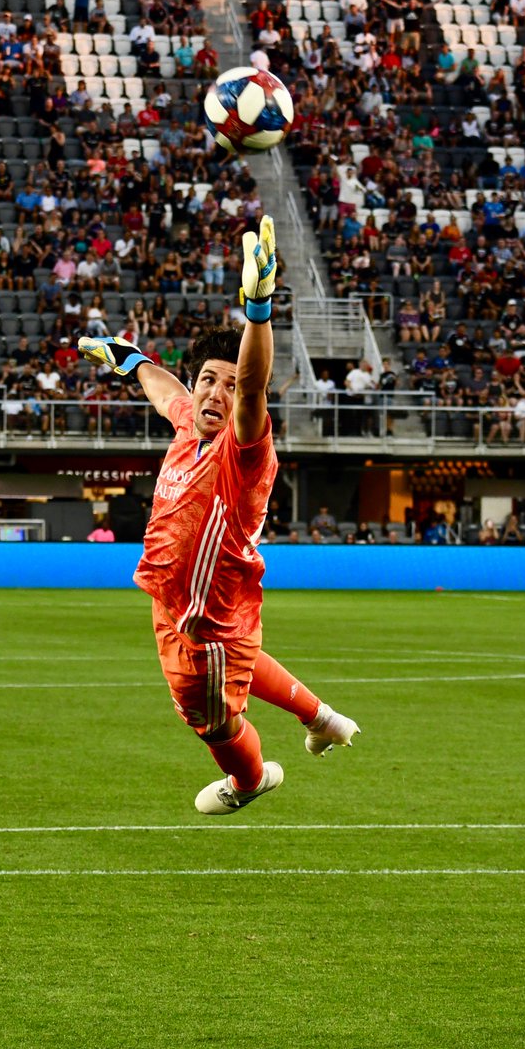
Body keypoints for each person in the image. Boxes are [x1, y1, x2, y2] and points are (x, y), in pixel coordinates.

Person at [77, 217, 360, 816]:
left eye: (228, 386)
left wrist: (258, 312)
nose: (215, 393)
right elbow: (166, 390)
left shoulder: (243, 448)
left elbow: (253, 387)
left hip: (205, 623)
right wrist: (132, 361)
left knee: (213, 723)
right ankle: (322, 718)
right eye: (208, 379)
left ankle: (252, 780)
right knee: (240, 666)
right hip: (171, 600)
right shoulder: (190, 421)